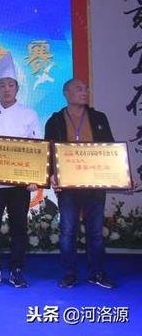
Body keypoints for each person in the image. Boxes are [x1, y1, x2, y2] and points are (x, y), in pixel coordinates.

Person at [0, 53, 41, 288]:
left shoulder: (29, 114)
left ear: (17, 88)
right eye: (2, 85)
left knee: (19, 228)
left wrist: (35, 178)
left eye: (10, 85)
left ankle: (16, 270)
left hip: (18, 184)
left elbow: (37, 148)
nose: (6, 89)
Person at [44, 78, 115, 289]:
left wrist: (121, 174)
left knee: (95, 232)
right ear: (66, 93)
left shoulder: (99, 117)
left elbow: (111, 149)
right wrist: (51, 175)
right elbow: (48, 152)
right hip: (68, 186)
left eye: (85, 89)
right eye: (78, 89)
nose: (84, 92)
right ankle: (69, 273)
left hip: (95, 184)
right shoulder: (55, 121)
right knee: (68, 231)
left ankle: (97, 272)